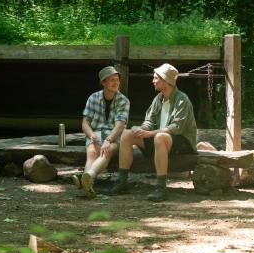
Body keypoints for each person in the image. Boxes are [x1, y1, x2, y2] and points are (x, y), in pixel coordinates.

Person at [106, 63, 197, 202]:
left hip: (182, 143)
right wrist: (142, 129)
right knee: (126, 134)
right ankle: (122, 182)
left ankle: (161, 188)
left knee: (160, 137)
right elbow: (149, 120)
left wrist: (150, 133)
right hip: (159, 139)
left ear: (165, 80)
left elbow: (176, 128)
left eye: (156, 78)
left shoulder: (182, 100)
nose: (153, 80)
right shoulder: (158, 99)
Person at [72, 66, 130, 198]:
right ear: (103, 82)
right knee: (92, 152)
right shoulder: (93, 98)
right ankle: (88, 185)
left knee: (107, 150)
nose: (116, 83)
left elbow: (120, 126)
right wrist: (91, 134)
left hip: (114, 135)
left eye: (117, 80)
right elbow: (85, 122)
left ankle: (86, 177)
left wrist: (108, 140)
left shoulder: (123, 100)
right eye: (112, 80)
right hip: (96, 133)